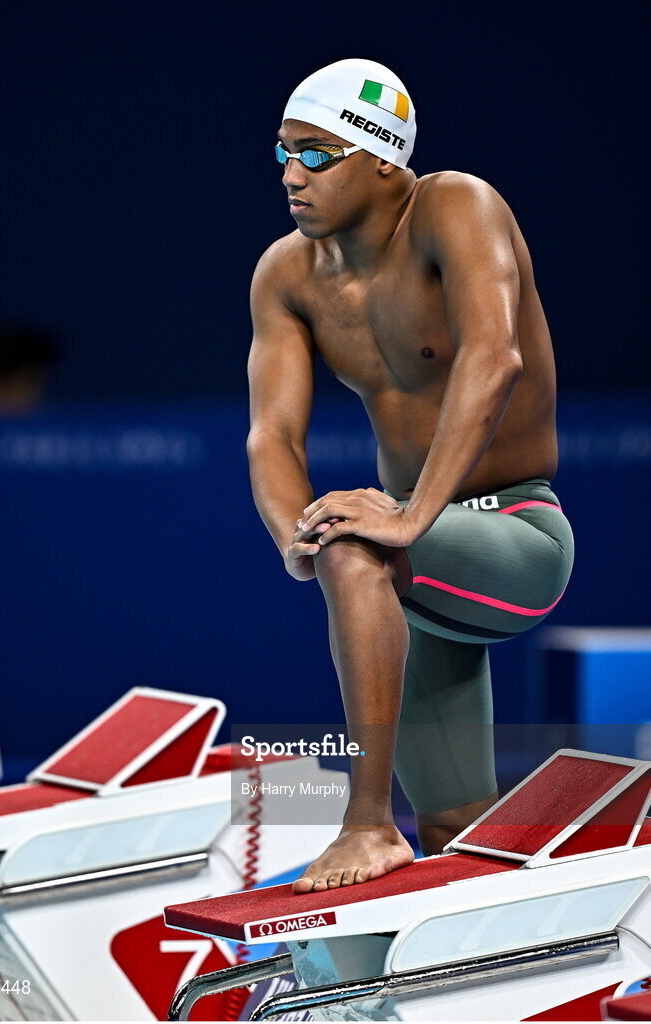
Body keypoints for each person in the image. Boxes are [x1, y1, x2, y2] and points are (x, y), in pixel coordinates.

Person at [246, 59, 574, 895]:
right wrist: (298, 537)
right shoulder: (286, 274)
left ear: (381, 159)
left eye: (316, 154)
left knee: (360, 545)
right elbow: (270, 437)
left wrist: (406, 517)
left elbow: (493, 360)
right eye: (282, 152)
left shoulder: (456, 206)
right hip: (421, 567)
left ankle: (364, 824)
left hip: (516, 534)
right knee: (458, 833)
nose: (291, 174)